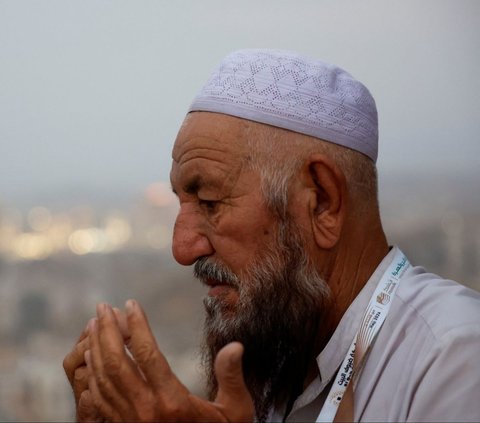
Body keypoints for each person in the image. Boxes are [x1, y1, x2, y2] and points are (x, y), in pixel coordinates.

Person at [63, 49, 480, 422]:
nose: (182, 248)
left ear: (321, 202)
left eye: (209, 201)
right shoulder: (278, 357)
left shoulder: (454, 358)